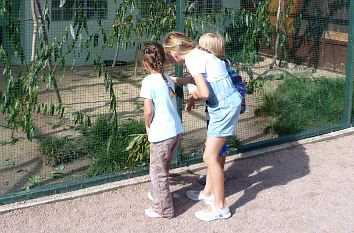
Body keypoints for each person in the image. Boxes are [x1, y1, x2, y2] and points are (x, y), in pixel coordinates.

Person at [163, 32, 242, 221]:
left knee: (209, 156)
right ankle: (209, 194)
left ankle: (221, 206)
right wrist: (185, 83)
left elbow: (204, 92)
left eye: (168, 56)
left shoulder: (192, 61)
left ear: (175, 53)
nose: (170, 60)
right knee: (212, 153)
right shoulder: (199, 53)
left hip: (223, 108)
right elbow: (208, 79)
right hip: (227, 103)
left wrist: (193, 95)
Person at [140, 42, 183, 219]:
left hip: (161, 135)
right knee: (163, 167)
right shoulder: (167, 78)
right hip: (176, 130)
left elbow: (148, 111)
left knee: (157, 172)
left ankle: (164, 209)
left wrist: (147, 125)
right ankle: (160, 195)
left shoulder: (148, 81)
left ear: (145, 63)